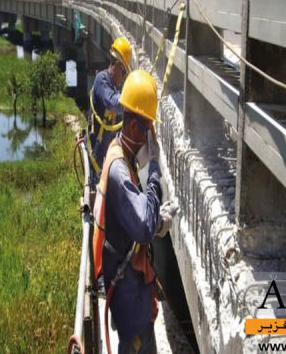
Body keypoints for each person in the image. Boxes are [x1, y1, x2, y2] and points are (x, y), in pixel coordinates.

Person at [93, 69, 178, 353]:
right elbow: (141, 225)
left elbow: (136, 218)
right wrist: (154, 169)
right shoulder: (119, 169)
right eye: (148, 130)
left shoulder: (123, 155)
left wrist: (158, 219)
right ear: (132, 128)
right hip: (128, 296)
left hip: (132, 290)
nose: (149, 139)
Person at [86, 36, 132, 184]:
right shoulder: (102, 80)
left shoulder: (113, 87)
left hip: (105, 151)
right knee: (97, 191)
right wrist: (133, 98)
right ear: (117, 65)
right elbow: (115, 104)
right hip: (96, 153)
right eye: (124, 72)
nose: (124, 78)